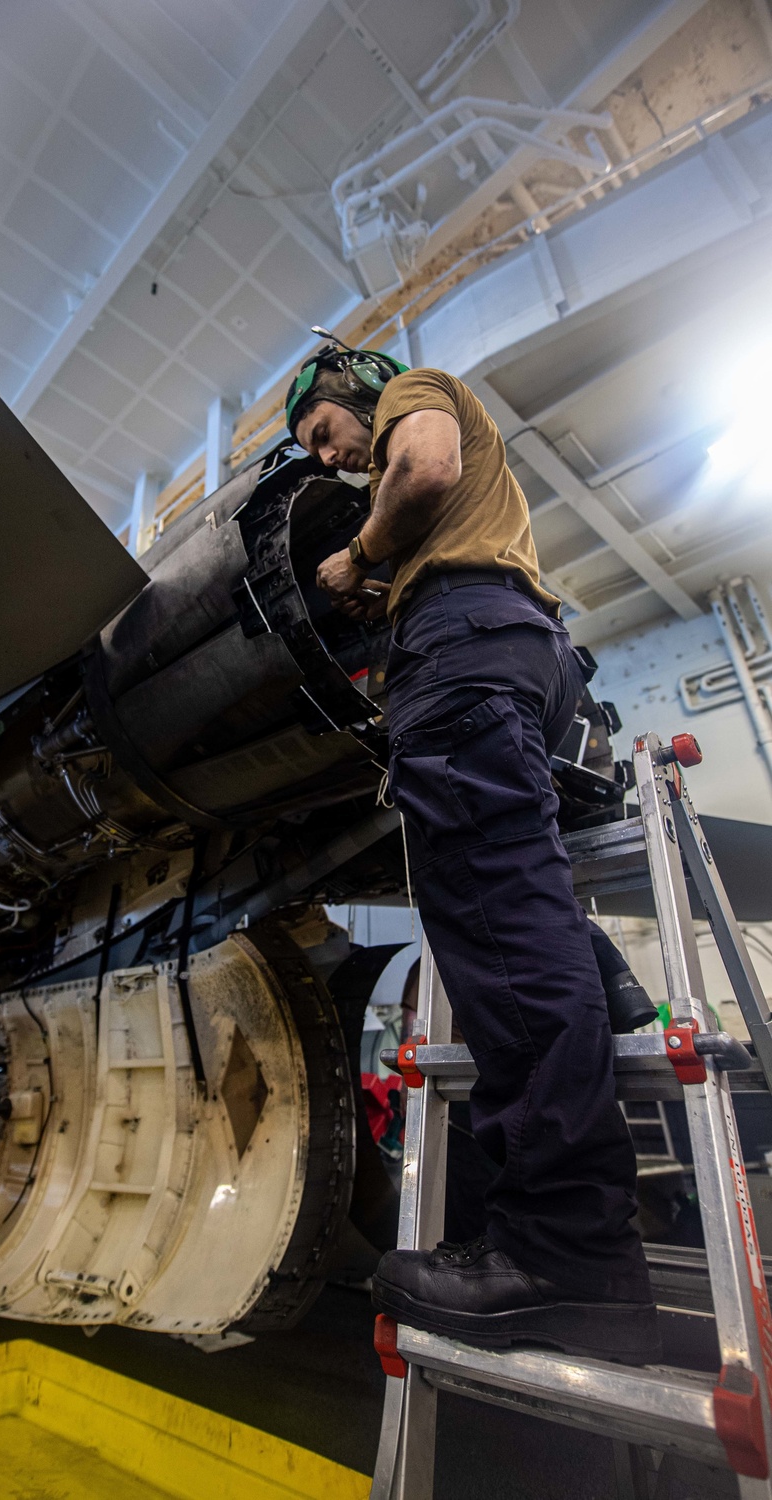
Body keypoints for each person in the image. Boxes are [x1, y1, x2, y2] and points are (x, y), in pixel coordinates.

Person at [285, 339, 661, 1365]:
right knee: (526, 904)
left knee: (495, 927)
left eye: (325, 432)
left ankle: (564, 1255)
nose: (326, 460)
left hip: (463, 647)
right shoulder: (456, 526)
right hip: (512, 645)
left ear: (357, 390)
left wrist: (359, 559)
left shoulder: (415, 392)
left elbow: (425, 469)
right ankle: (619, 999)